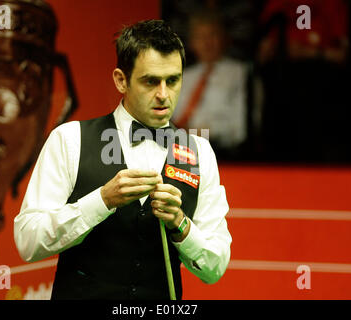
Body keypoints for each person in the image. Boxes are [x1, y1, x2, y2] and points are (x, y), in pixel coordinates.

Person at [14, 19, 231, 300]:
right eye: (150, 81)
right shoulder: (70, 139)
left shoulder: (198, 152)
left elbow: (215, 268)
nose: (164, 95)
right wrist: (102, 200)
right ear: (121, 80)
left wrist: (180, 224)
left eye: (173, 80)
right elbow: (28, 241)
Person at [172, 10, 249, 160]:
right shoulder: (182, 76)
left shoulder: (241, 74)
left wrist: (202, 133)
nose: (207, 42)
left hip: (223, 155)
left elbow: (242, 129)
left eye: (212, 35)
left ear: (225, 39)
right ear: (192, 42)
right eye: (200, 37)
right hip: (179, 152)